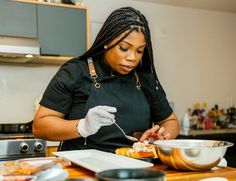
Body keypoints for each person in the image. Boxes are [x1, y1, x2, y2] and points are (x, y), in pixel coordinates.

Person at [33, 6, 180, 152]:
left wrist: (161, 138)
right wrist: (82, 126)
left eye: (139, 50)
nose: (132, 58)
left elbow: (171, 121)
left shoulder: (144, 78)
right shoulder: (75, 72)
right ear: (107, 41)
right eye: (124, 48)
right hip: (82, 168)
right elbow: (40, 126)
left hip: (134, 167)